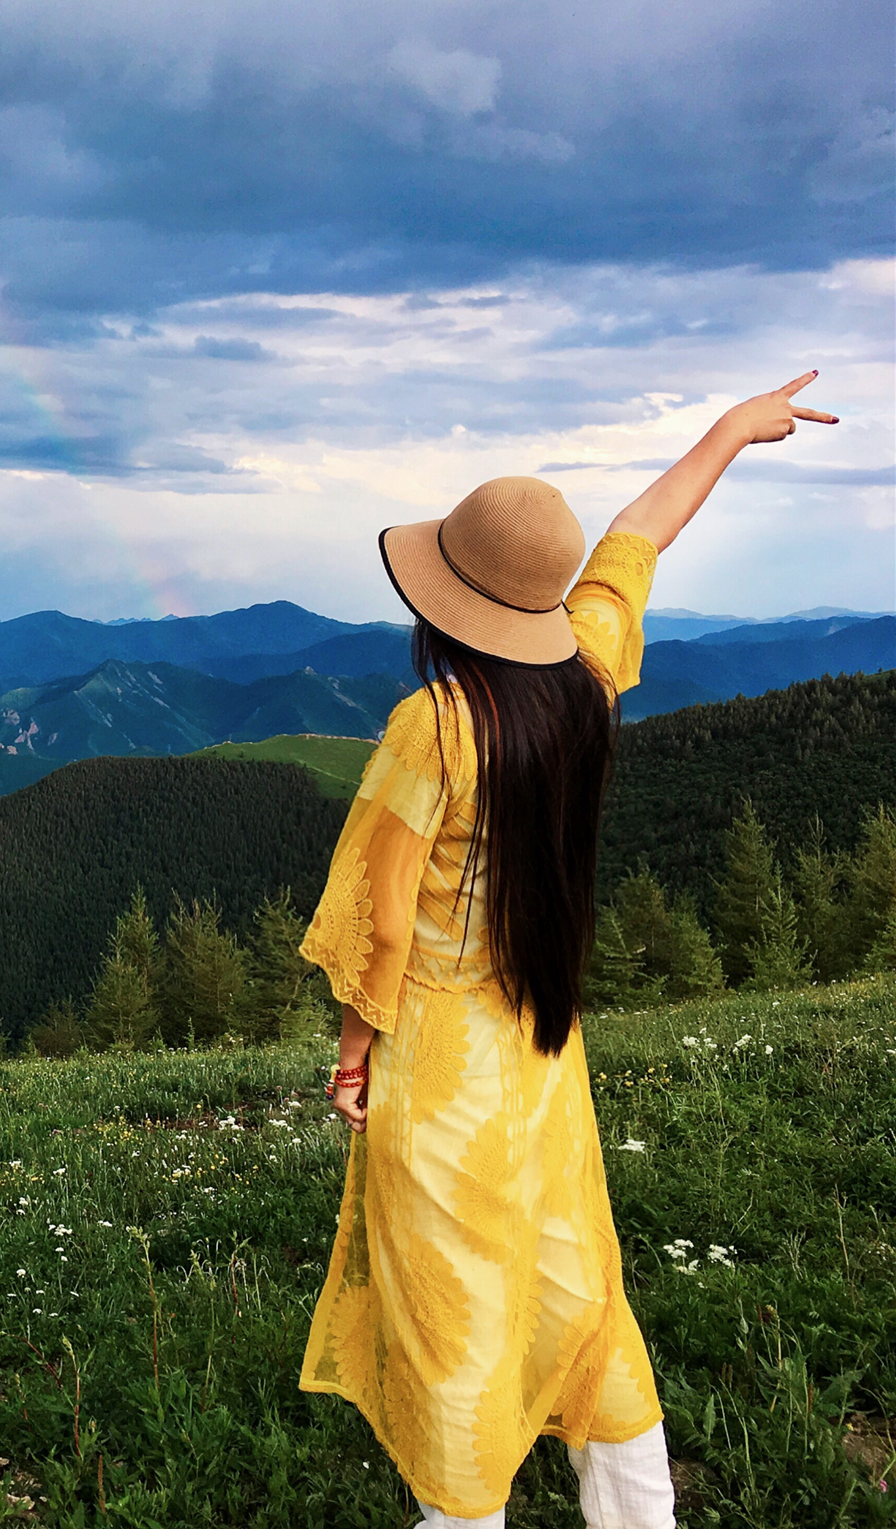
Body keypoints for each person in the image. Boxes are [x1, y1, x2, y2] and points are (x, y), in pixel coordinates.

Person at [295, 373, 839, 1529]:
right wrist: (733, 430)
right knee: (580, 1300)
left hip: (439, 1074)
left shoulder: (431, 725)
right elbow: (640, 536)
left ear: (440, 604)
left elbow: (379, 916)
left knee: (456, 1334)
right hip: (545, 1062)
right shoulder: (586, 679)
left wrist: (352, 1052)